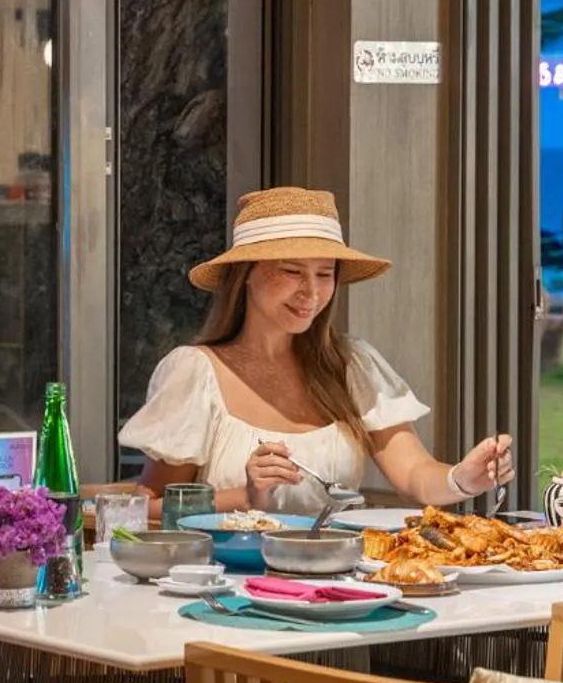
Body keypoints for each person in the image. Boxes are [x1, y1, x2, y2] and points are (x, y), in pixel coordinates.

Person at [121, 186, 515, 515]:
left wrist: (462, 479)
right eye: (292, 272)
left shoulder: (350, 366)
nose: (311, 292)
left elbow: (415, 475)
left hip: (341, 583)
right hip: (225, 590)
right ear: (245, 277)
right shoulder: (197, 373)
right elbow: (148, 507)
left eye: (325, 274)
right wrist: (245, 495)